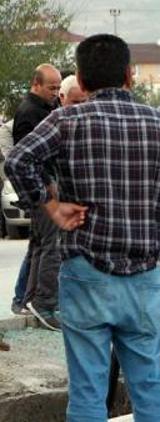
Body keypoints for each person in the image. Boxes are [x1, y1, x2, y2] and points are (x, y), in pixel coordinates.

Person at [4, 34, 160, 420]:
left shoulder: (65, 120)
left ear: (82, 80)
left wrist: (52, 206)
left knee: (88, 393)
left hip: (86, 274)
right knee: (148, 392)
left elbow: (17, 162)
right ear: (129, 76)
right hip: (145, 280)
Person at [10, 64, 62, 328]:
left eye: (58, 88)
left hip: (44, 189)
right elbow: (24, 157)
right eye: (51, 88)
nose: (55, 93)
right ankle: (44, 303)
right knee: (50, 245)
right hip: (43, 191)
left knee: (39, 245)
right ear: (36, 84)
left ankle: (25, 298)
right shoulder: (30, 113)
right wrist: (46, 185)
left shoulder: (45, 109)